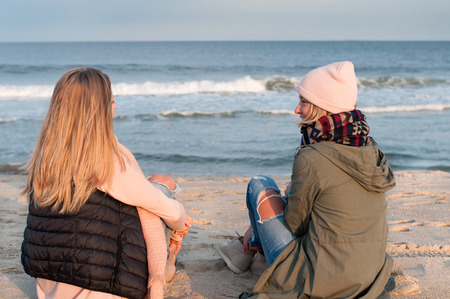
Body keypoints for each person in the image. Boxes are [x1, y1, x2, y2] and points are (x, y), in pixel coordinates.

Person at [215, 61, 396, 298]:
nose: (296, 109)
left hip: (322, 276)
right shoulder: (370, 148)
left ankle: (247, 251)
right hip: (368, 271)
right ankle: (253, 251)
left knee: (260, 184)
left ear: (323, 106)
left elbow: (294, 225)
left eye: (303, 101)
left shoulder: (311, 157)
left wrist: (291, 194)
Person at [21, 67, 192, 299]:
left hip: (51, 287)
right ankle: (165, 264)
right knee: (163, 188)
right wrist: (181, 223)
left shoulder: (46, 158)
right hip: (104, 288)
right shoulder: (105, 160)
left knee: (148, 188)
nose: (115, 107)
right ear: (96, 110)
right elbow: (161, 206)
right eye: (111, 101)